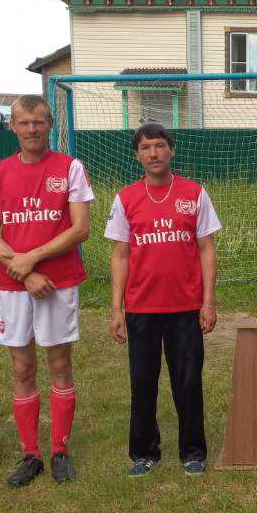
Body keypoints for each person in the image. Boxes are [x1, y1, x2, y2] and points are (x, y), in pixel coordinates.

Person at [0, 95, 93, 488]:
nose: (31, 129)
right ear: (12, 126)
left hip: (58, 284)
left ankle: (59, 449)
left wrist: (33, 258)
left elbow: (80, 228)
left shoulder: (69, 168)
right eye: (24, 123)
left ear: (49, 124)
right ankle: (31, 453)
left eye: (39, 122)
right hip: (15, 286)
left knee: (60, 365)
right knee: (22, 368)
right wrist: (23, 272)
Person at [105, 123, 219, 477]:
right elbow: (120, 255)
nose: (153, 153)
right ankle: (144, 452)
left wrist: (208, 300)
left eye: (159, 146)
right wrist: (116, 308)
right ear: (137, 154)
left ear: (171, 150)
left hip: (185, 307)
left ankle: (193, 451)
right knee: (142, 381)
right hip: (141, 307)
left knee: (187, 381)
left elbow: (206, 249)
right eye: (145, 148)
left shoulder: (194, 193)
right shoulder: (125, 198)